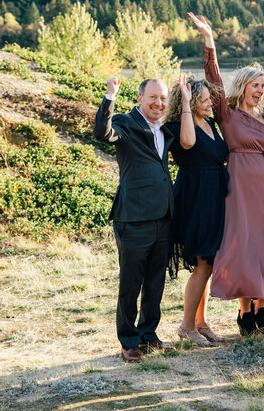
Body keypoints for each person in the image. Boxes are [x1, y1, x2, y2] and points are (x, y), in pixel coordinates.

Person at [189, 12, 264, 336]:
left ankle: (262, 310)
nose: (260, 90)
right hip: (240, 189)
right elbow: (213, 79)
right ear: (243, 86)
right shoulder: (228, 114)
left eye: (263, 85)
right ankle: (245, 314)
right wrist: (210, 42)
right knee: (246, 248)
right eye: (255, 85)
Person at [94, 77, 175, 362]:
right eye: (153, 97)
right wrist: (110, 96)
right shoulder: (126, 124)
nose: (159, 103)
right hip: (133, 218)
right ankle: (128, 340)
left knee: (155, 282)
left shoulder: (165, 129)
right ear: (140, 97)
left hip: (163, 216)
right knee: (131, 283)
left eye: (163, 98)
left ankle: (148, 335)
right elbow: (102, 133)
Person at [164, 75, 228, 347]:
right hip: (196, 199)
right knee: (202, 264)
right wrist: (188, 108)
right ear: (188, 101)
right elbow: (189, 143)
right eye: (203, 99)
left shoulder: (211, 123)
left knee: (208, 264)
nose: (209, 102)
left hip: (215, 196)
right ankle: (186, 326)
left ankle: (200, 323)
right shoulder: (178, 126)